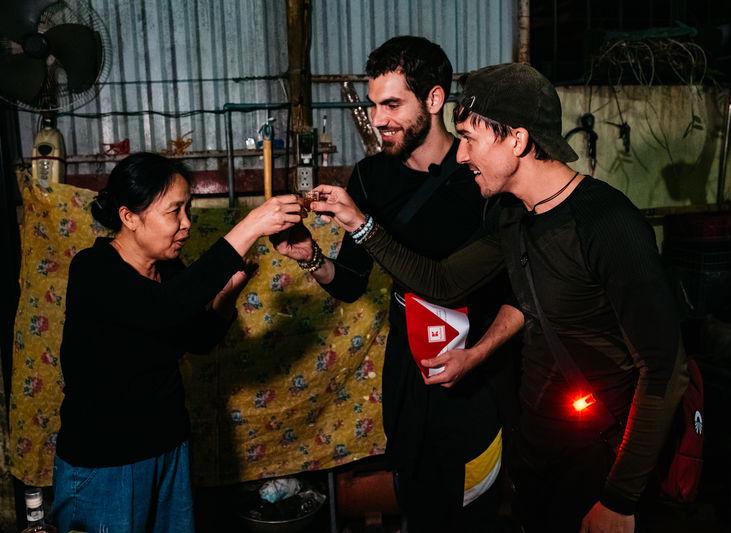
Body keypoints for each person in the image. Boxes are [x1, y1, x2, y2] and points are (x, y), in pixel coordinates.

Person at [310, 63, 690, 533]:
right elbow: (442, 282)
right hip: (538, 453)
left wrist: (620, 498)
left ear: (517, 140)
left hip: (599, 461)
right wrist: (358, 224)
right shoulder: (510, 215)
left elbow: (664, 369)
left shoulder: (608, 224)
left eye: (470, 138)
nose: (461, 154)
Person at [272, 37, 516, 531]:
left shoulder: (482, 175)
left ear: (434, 99)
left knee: (474, 515)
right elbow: (350, 283)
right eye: (373, 105)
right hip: (410, 375)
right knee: (420, 506)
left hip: (478, 376)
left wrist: (478, 356)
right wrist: (311, 257)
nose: (377, 118)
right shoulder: (370, 177)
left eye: (392, 104)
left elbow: (515, 290)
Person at [52, 152, 302, 532]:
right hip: (106, 464)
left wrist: (226, 296)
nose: (186, 223)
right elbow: (162, 310)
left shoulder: (168, 271)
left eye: (188, 209)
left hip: (167, 449)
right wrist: (251, 225)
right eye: (174, 211)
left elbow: (196, 338)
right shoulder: (94, 270)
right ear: (129, 217)